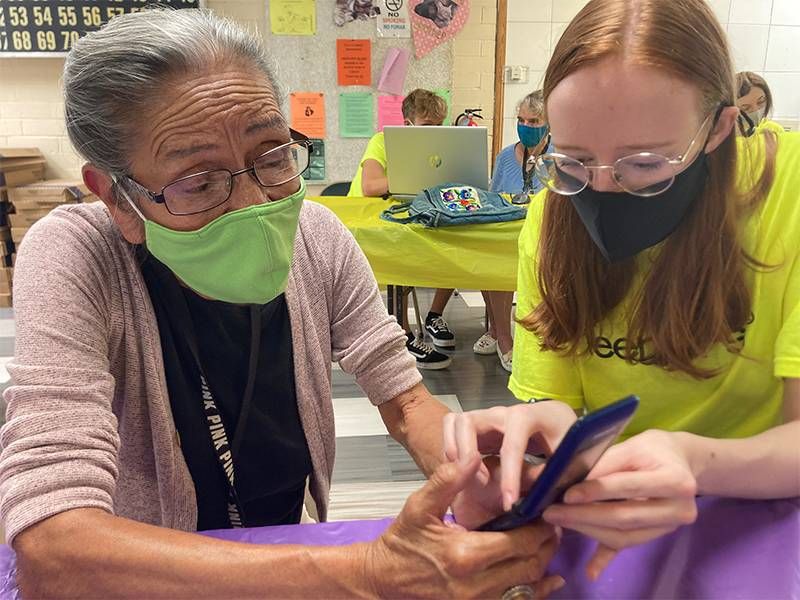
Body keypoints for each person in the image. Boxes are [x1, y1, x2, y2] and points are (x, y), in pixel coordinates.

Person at [0, 9, 564, 598]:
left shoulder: (315, 237)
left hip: (278, 554)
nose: (252, 203)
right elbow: (52, 545)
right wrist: (365, 573)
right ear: (117, 198)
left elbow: (406, 401)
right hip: (147, 579)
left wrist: (469, 466)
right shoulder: (78, 256)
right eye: (198, 181)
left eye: (272, 155)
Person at [443, 0, 800, 582]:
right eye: (575, 161)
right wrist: (533, 455)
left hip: (763, 519)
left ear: (719, 126)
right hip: (611, 517)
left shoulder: (790, 195)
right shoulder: (552, 215)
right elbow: (555, 403)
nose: (603, 191)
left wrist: (694, 462)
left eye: (645, 164)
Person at [349, 89, 457, 369]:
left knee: (456, 244)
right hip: (366, 224)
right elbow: (370, 186)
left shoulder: (440, 147)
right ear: (407, 124)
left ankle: (434, 316)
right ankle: (404, 336)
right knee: (404, 261)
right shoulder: (382, 141)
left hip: (405, 218)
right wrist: (415, 175)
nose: (434, 133)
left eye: (439, 125)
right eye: (427, 126)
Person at [474, 90, 550, 373]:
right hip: (507, 235)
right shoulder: (506, 156)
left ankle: (502, 332)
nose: (526, 127)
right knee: (489, 260)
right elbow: (493, 198)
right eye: (521, 120)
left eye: (534, 121)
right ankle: (502, 336)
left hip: (543, 240)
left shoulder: (558, 158)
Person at [735, 71, 784, 136]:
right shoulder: (724, 136)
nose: (756, 110)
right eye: (746, 108)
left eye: (761, 101)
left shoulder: (774, 130)